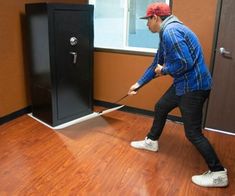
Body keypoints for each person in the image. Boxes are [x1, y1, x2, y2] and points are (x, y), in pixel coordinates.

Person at [128, 2, 228, 188]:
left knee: (193, 133)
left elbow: (184, 63)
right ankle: (151, 141)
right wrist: (139, 84)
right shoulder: (168, 31)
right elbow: (155, 64)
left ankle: (218, 173)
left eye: (147, 20)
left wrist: (164, 70)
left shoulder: (170, 32)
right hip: (183, 84)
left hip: (194, 87)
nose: (146, 24)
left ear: (155, 17)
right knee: (161, 106)